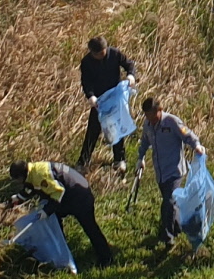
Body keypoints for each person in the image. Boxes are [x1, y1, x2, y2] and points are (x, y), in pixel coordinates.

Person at [11, 159, 115, 266]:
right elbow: (32, 187)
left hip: (79, 197)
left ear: (21, 176)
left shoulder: (40, 175)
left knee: (90, 228)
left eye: (17, 179)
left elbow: (58, 192)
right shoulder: (33, 170)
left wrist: (46, 211)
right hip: (73, 191)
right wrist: (18, 198)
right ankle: (61, 248)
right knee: (55, 216)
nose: (17, 182)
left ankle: (106, 258)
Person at [137, 96, 206, 248]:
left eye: (153, 116)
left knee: (168, 203)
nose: (151, 120)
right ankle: (180, 228)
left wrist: (196, 146)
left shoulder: (172, 122)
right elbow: (144, 142)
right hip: (160, 172)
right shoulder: (148, 125)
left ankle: (167, 238)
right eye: (147, 117)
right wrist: (140, 158)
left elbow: (187, 134)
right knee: (172, 204)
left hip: (175, 171)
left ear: (159, 111)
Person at [78, 36, 137, 171]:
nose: (102, 55)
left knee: (117, 127)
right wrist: (91, 96)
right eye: (98, 53)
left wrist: (131, 75)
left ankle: (119, 159)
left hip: (115, 98)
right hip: (100, 102)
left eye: (103, 51)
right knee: (93, 130)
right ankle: (83, 162)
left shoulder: (115, 54)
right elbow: (86, 81)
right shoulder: (86, 62)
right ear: (92, 53)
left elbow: (129, 65)